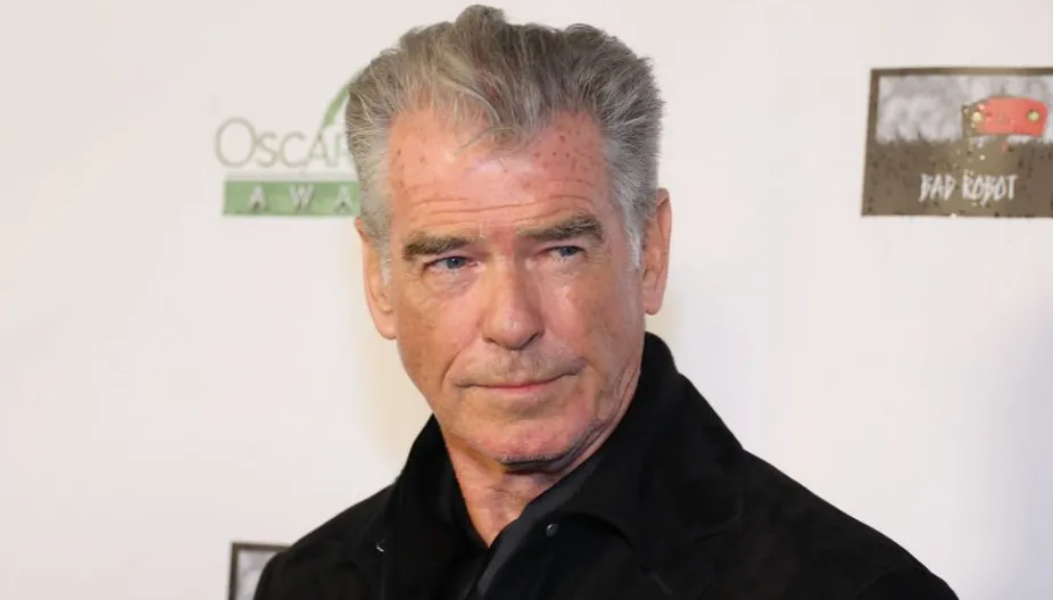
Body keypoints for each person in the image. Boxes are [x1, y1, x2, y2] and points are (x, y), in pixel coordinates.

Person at [254, 5, 959, 599]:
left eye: (560, 251)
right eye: (452, 262)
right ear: (379, 280)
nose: (511, 322)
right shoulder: (307, 584)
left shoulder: (850, 589)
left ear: (649, 253)